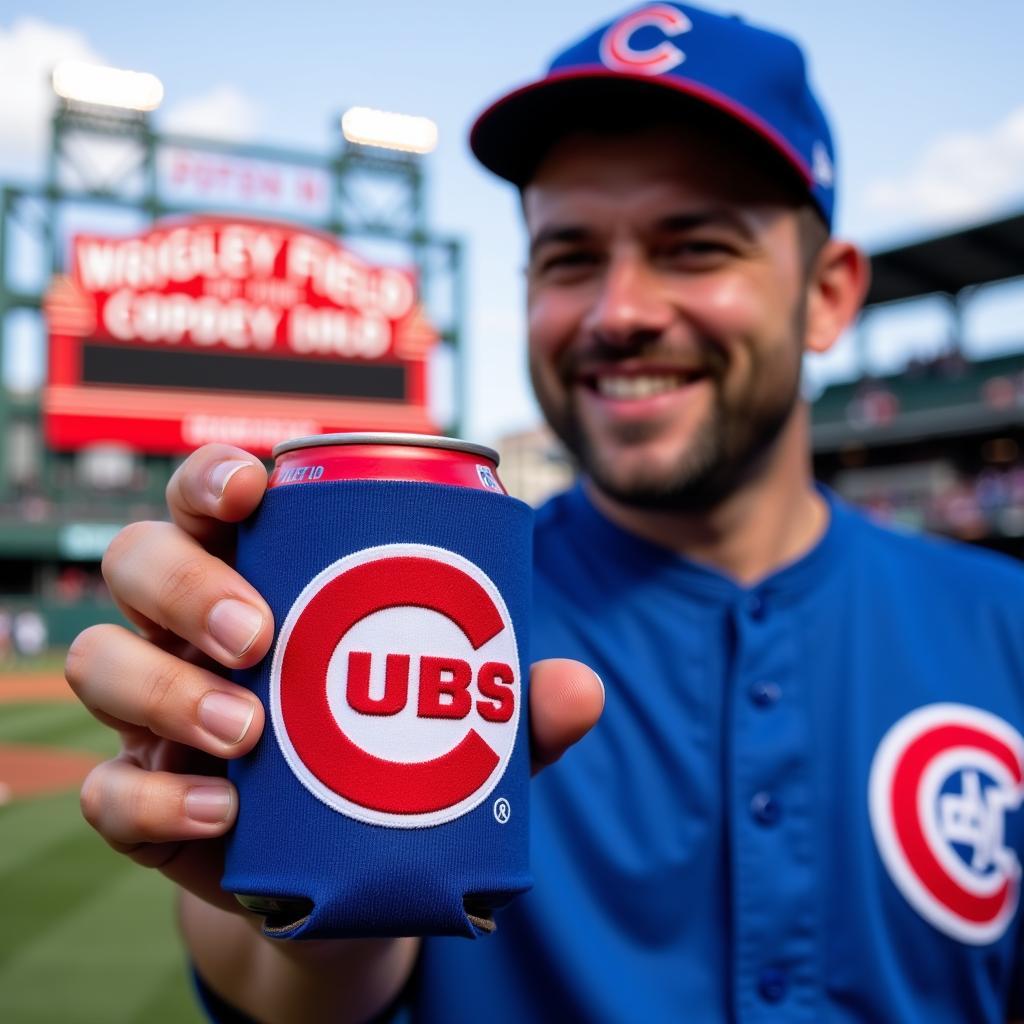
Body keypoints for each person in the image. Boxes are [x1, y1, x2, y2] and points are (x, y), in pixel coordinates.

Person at [65, 4, 1024, 1022]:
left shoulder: (1002, 626)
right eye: (568, 258)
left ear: (829, 296)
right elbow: (305, 988)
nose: (618, 311)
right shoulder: (417, 616)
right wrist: (288, 882)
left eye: (693, 247)